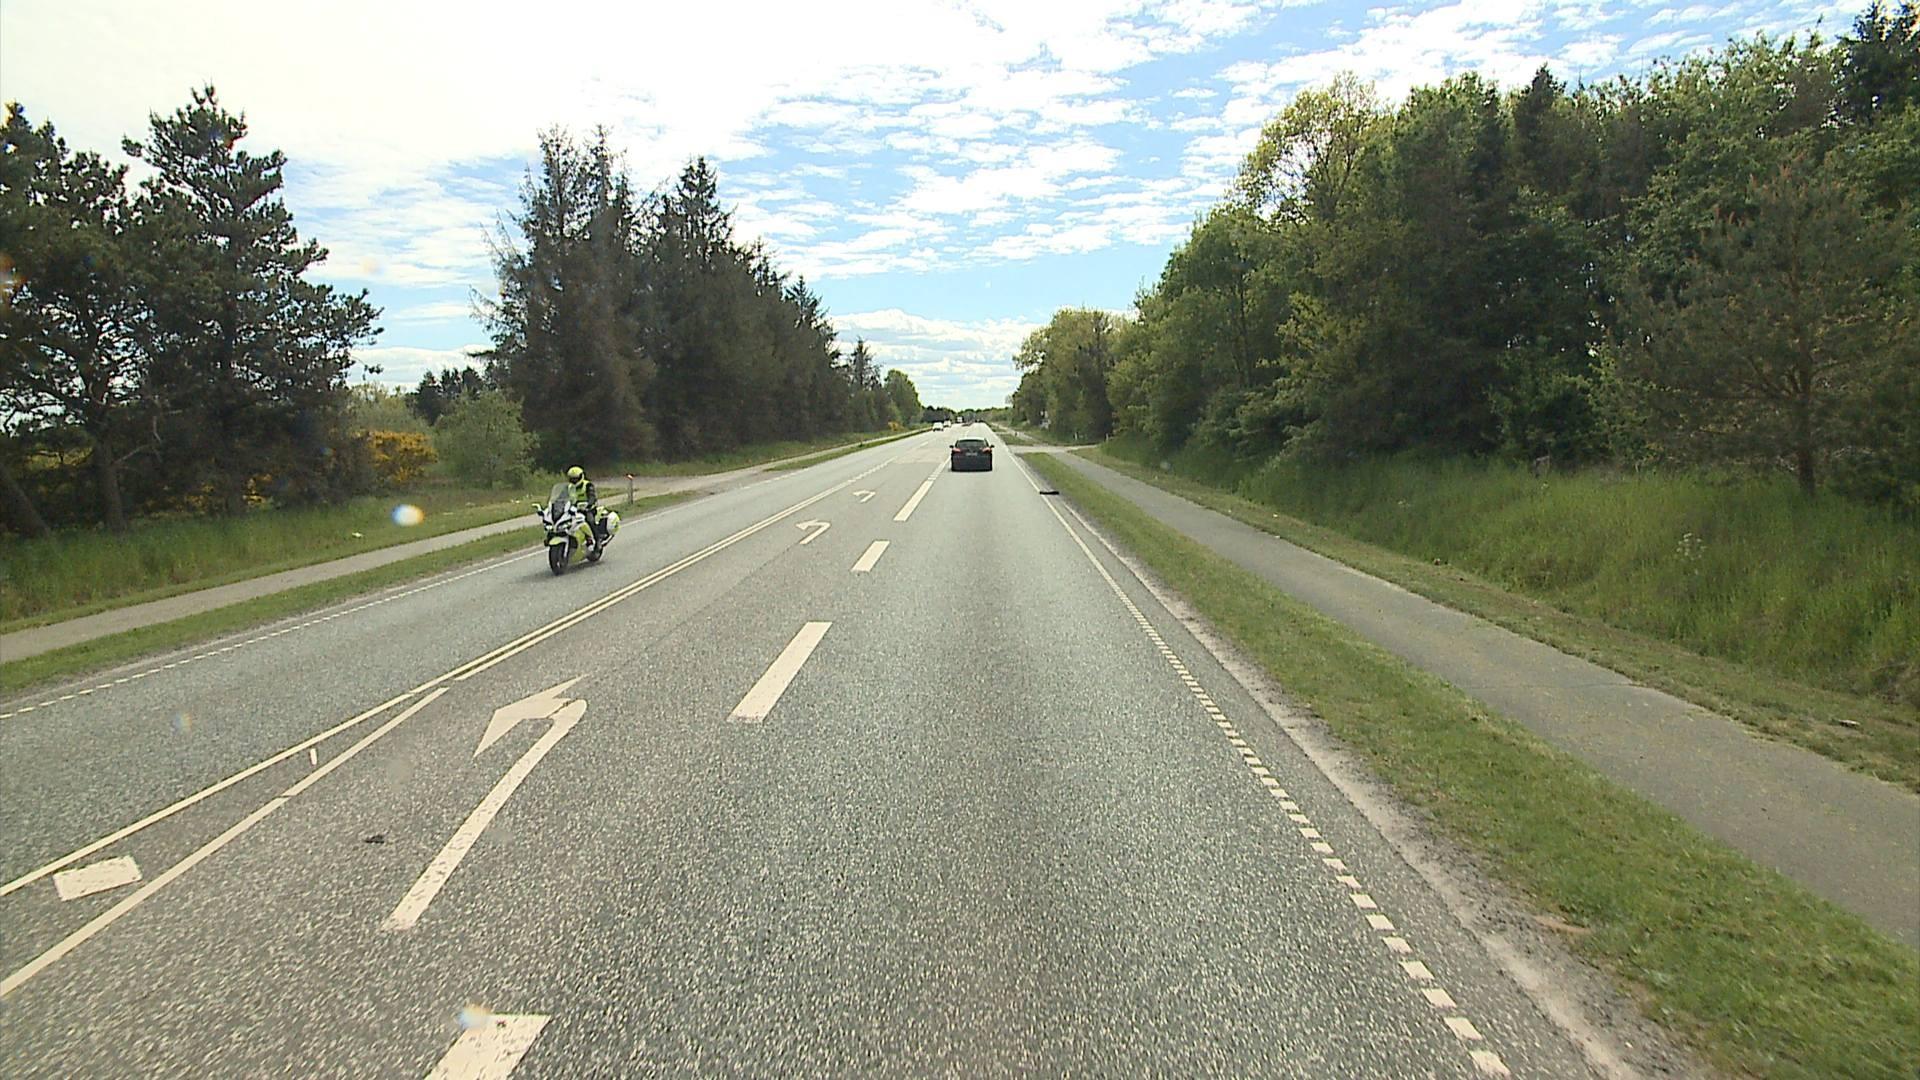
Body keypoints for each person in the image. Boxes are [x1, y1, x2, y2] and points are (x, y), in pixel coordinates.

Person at [566, 466, 609, 545]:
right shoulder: (569, 487)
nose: (574, 481)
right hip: (573, 509)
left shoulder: (588, 485)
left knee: (590, 521)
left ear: (581, 477)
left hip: (588, 509)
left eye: (576, 479)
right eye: (572, 479)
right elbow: (562, 498)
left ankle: (597, 539)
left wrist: (588, 504)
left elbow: (592, 496)